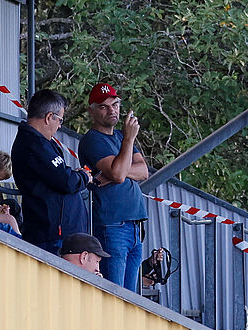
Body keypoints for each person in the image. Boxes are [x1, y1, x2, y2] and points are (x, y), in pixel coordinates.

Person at [79, 82, 151, 293]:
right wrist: (129, 140)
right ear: (91, 110)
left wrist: (117, 170)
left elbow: (144, 171)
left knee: (131, 296)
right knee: (115, 293)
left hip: (134, 225)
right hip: (112, 226)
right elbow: (119, 174)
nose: (112, 110)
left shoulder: (120, 137)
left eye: (115, 104)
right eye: (104, 106)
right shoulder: (92, 140)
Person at [10, 90, 90, 255]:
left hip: (57, 234)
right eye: (60, 120)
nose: (60, 126)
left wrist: (73, 175)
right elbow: (65, 180)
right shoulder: (34, 144)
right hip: (51, 236)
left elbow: (58, 174)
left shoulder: (41, 143)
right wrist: (83, 177)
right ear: (49, 117)